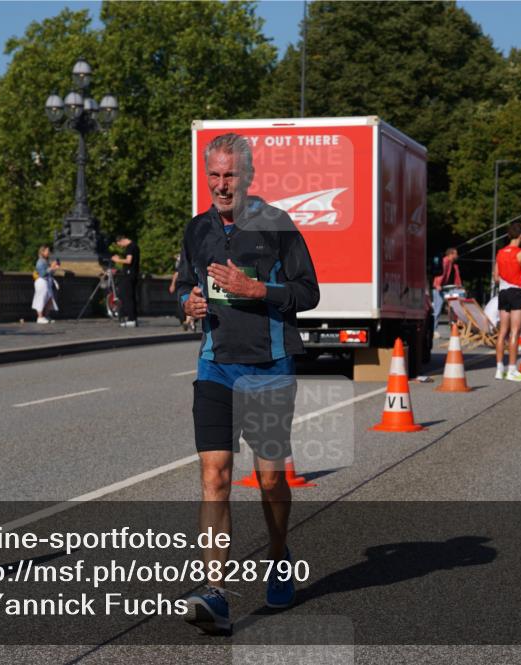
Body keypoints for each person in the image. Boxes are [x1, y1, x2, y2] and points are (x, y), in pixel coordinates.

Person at [175, 133, 319, 634]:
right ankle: (215, 590)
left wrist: (256, 289)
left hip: (268, 367)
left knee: (271, 479)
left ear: (249, 176)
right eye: (213, 175)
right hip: (215, 364)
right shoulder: (196, 229)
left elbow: (309, 293)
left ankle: (279, 556)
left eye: (230, 175)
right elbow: (187, 289)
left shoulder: (277, 225)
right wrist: (189, 307)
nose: (221, 184)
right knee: (214, 475)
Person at [492, 222, 521, 381]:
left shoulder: (500, 252)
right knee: (515, 331)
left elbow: (496, 277)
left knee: (502, 332)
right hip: (516, 292)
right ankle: (512, 370)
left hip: (503, 292)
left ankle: (499, 369)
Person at [432, 248, 464, 334]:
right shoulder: (445, 261)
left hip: (448, 289)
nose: (457, 256)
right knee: (437, 310)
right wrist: (437, 284)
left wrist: (459, 286)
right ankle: (433, 330)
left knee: (461, 295)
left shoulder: (454, 265)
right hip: (440, 288)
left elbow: (457, 278)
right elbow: (440, 274)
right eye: (456, 254)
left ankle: (457, 323)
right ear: (451, 254)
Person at [112, 234, 140, 328]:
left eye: (119, 244)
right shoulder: (135, 246)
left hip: (129, 275)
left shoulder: (130, 247)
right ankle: (133, 318)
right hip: (132, 274)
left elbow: (129, 261)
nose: (121, 246)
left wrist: (117, 260)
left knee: (127, 296)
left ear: (121, 240)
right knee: (130, 296)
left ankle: (131, 319)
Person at [32, 245, 60, 324]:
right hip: (41, 282)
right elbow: (43, 273)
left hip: (47, 282)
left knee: (49, 299)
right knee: (41, 299)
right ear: (42, 252)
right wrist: (51, 267)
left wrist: (54, 268)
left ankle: (46, 316)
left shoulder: (45, 261)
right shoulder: (40, 262)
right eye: (47, 251)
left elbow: (50, 273)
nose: (49, 253)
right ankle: (40, 317)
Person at [169, 252, 197, 332]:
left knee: (190, 303)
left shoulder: (184, 259)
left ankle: (189, 321)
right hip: (190, 283)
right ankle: (190, 322)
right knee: (191, 303)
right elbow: (177, 272)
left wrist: (173, 284)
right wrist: (173, 284)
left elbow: (177, 273)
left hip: (188, 283)